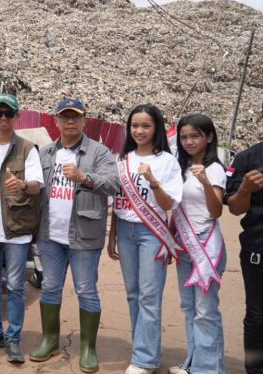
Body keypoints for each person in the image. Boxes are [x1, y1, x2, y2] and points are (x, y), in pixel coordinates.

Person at [29, 98, 117, 373]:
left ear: (83, 121)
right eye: (64, 117)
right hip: (50, 235)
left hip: (84, 236)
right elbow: (34, 184)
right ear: (56, 121)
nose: (70, 122)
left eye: (75, 117)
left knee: (86, 290)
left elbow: (113, 183)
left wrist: (85, 177)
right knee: (50, 287)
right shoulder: (45, 152)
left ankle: (88, 348)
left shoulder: (99, 152)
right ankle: (50, 340)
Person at [107, 104, 183, 374]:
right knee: (133, 294)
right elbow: (118, 200)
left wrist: (152, 180)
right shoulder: (122, 159)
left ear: (156, 128)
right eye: (135, 125)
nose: (139, 131)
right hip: (125, 231)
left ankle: (144, 359)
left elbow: (167, 204)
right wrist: (112, 235)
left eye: (146, 126)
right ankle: (142, 350)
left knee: (149, 296)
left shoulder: (166, 161)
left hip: (152, 233)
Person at [0, 93, 43, 364]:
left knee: (14, 286)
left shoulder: (27, 149)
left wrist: (23, 184)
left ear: (16, 117)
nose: (3, 118)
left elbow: (37, 185)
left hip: (17, 228)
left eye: (8, 113)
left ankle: (13, 337)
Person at [168, 113, 227, 374]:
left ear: (209, 137)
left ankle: (210, 369)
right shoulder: (180, 168)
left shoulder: (214, 169)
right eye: (184, 137)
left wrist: (204, 182)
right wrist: (170, 240)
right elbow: (177, 208)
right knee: (189, 308)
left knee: (206, 310)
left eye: (195, 136)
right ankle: (193, 362)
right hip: (183, 245)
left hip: (205, 245)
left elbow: (216, 211)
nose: (189, 141)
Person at [225, 93, 263, 374]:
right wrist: (244, 190)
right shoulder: (248, 158)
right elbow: (234, 209)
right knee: (257, 316)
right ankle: (257, 369)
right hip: (259, 251)